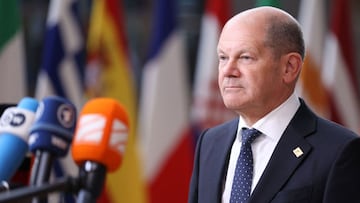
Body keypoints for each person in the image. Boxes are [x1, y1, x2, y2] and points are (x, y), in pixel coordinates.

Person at [188, 6, 360, 203]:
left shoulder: (339, 151)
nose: (228, 71)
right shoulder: (210, 142)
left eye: (245, 57)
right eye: (223, 58)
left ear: (289, 67)